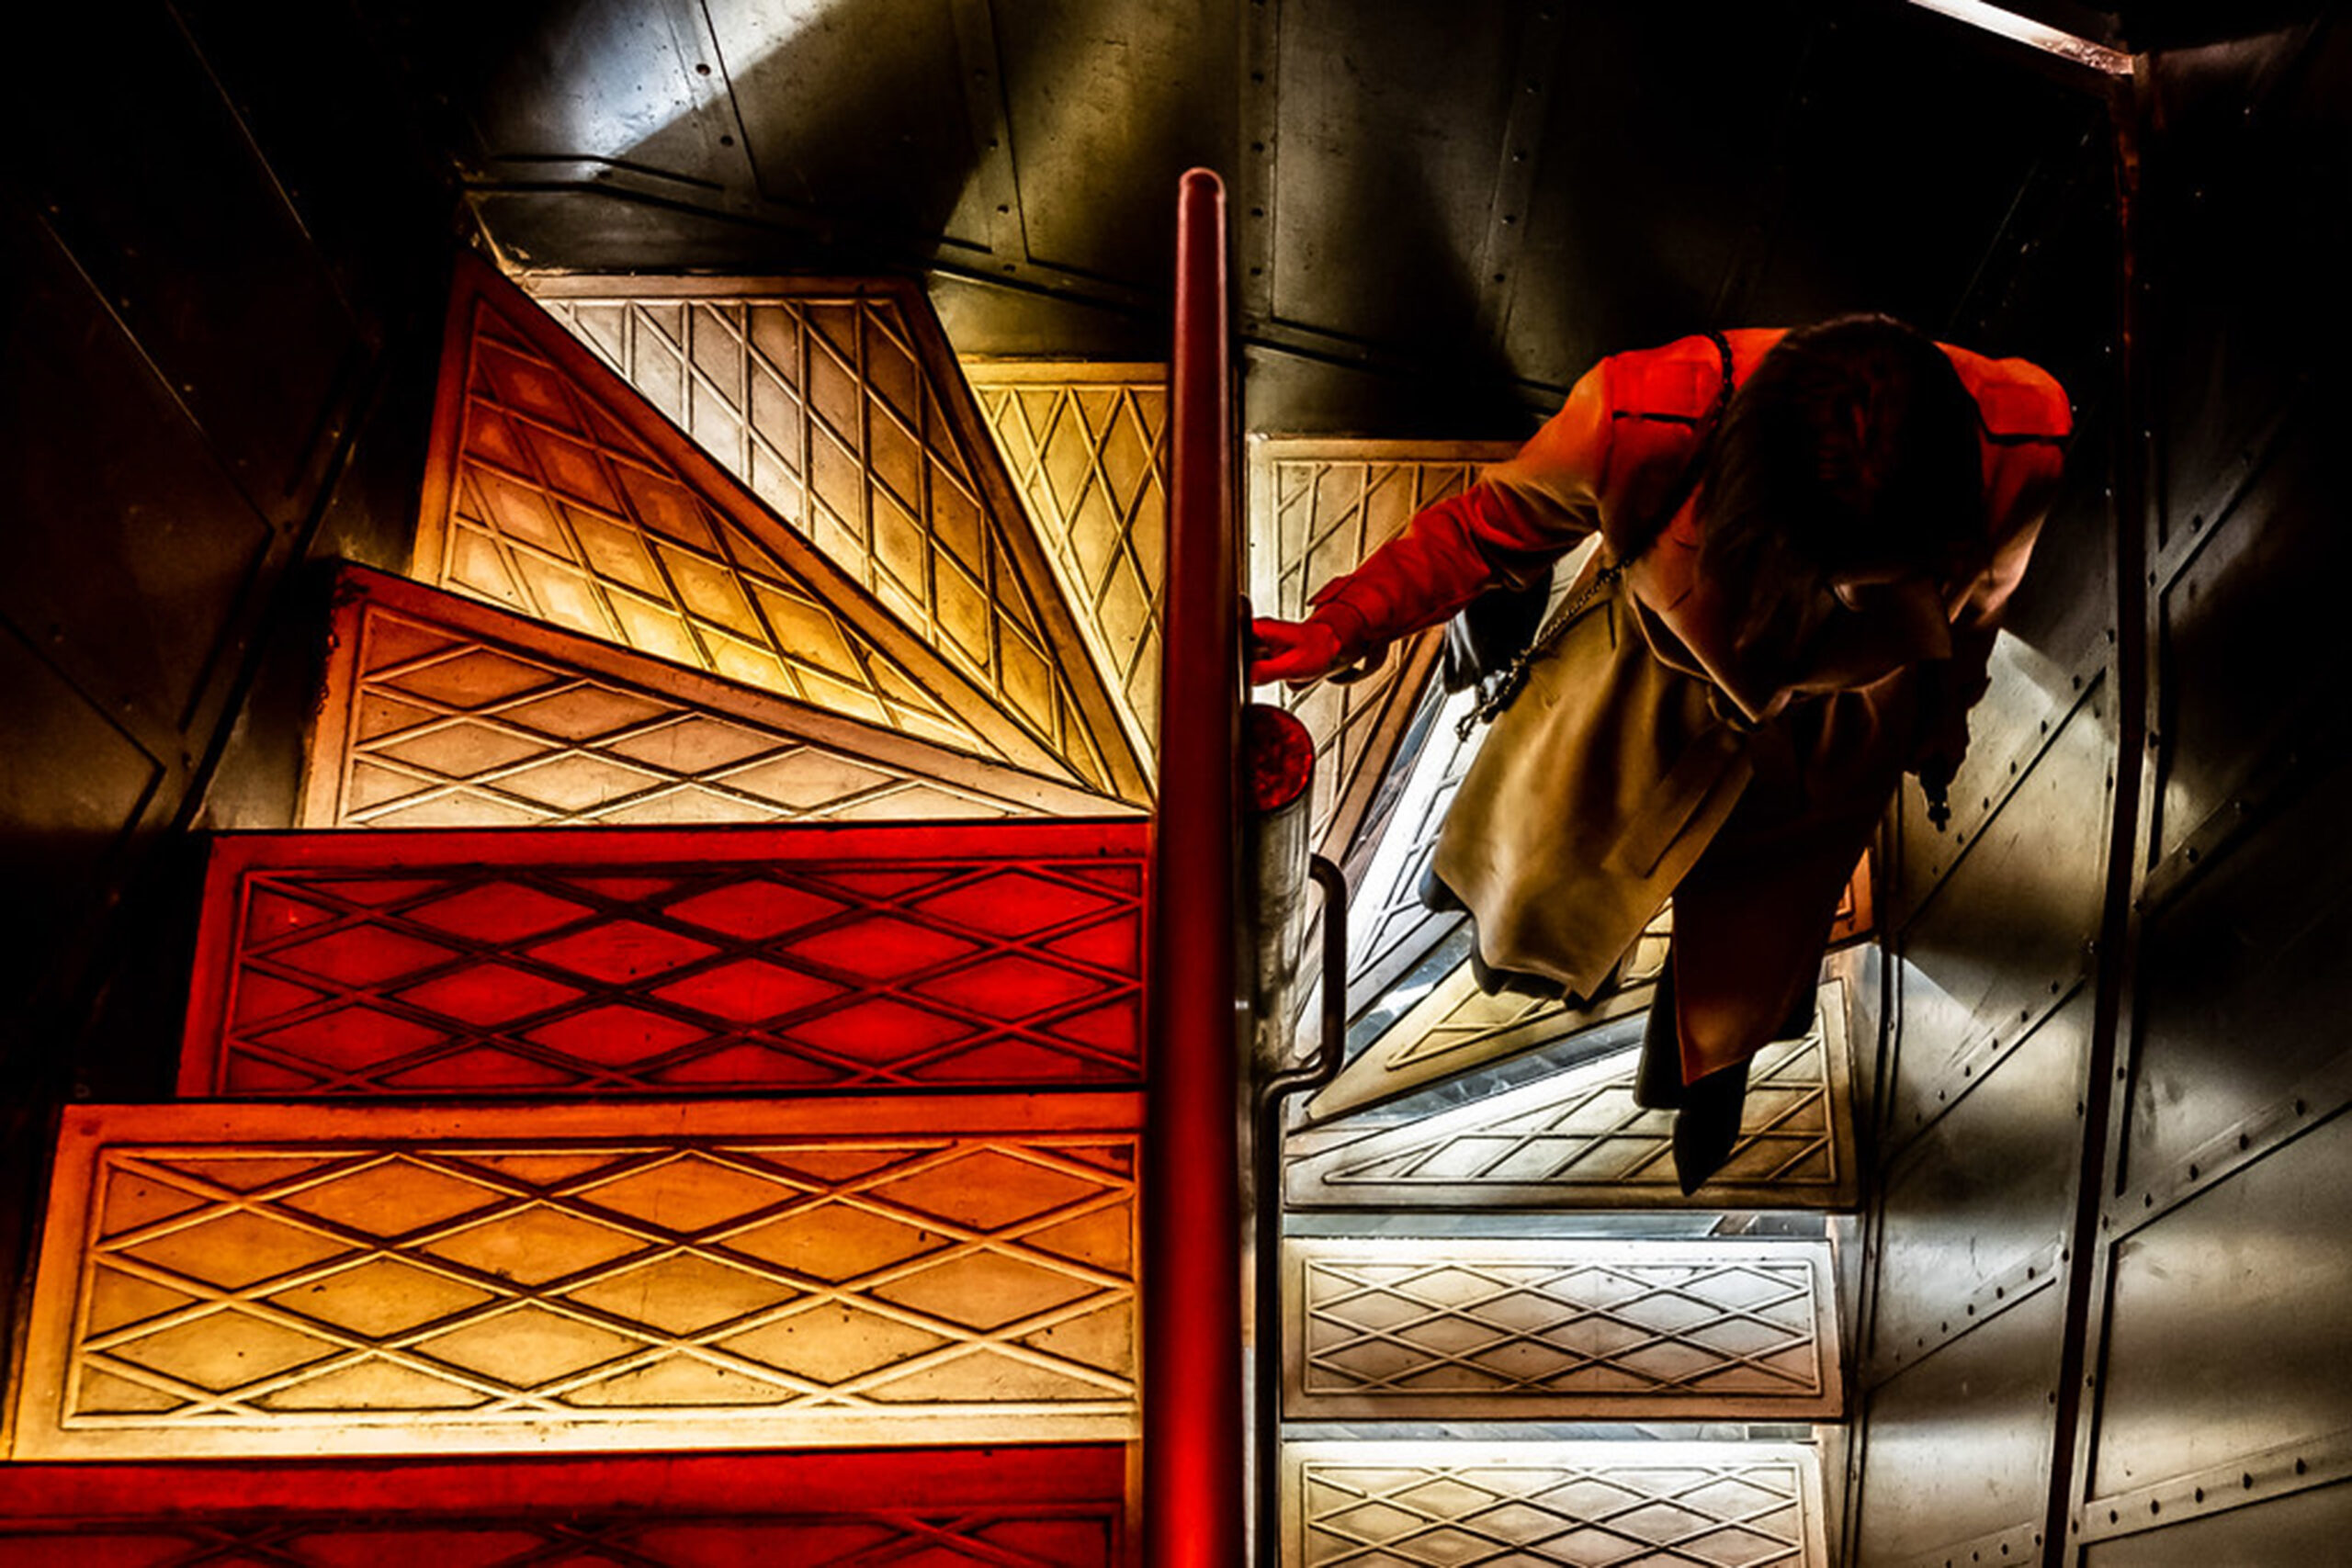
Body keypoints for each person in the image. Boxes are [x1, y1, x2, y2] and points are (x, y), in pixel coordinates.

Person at [1251, 317, 2071, 1190]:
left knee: (1753, 952)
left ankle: (1706, 1068)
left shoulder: (2022, 444)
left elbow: (1978, 612)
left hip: (1829, 744)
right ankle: (1528, 960)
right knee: (1541, 873)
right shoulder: (1642, 417)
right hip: (1631, 700)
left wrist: (1943, 717)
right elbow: (1485, 531)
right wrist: (1344, 622)